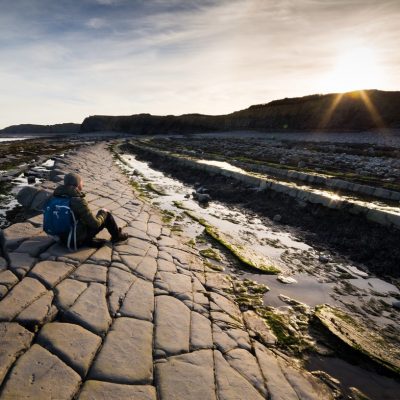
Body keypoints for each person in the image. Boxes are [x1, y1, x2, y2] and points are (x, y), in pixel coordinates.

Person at [52, 172, 128, 248]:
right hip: (74, 239)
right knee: (106, 215)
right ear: (78, 185)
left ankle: (87, 240)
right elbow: (95, 224)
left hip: (59, 237)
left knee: (84, 219)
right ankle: (117, 237)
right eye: (81, 182)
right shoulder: (77, 201)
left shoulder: (55, 197)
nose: (83, 184)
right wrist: (103, 212)